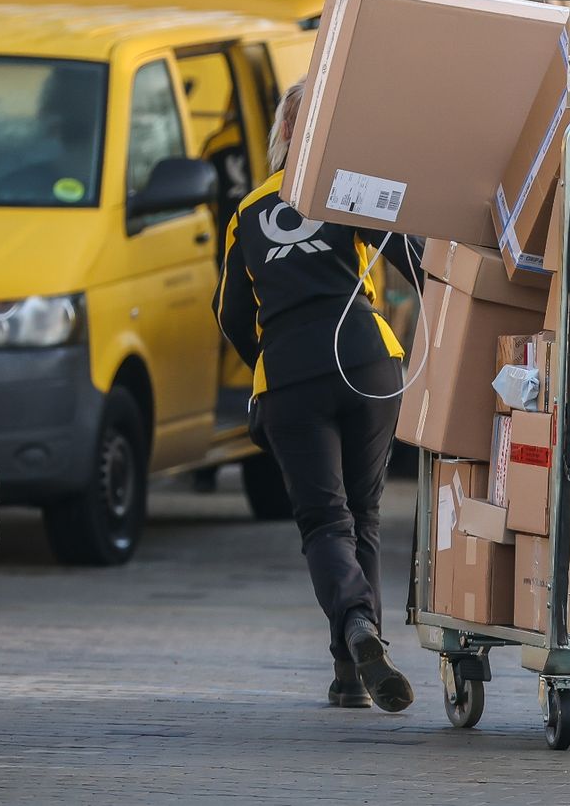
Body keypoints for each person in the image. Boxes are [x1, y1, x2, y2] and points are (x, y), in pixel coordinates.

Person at [215, 85, 423, 712]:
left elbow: (229, 315)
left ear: (280, 134)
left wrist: (272, 364)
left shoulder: (247, 212)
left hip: (290, 374)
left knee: (325, 522)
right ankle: (354, 668)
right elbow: (413, 259)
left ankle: (356, 630)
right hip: (367, 358)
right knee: (364, 515)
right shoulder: (349, 190)